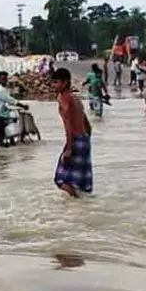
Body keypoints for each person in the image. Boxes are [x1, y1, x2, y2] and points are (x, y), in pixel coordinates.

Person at [52, 68, 93, 197]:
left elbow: (68, 124)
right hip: (84, 141)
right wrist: (84, 140)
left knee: (61, 179)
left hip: (75, 140)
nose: (54, 85)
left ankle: (76, 203)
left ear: (65, 82)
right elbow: (87, 125)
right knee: (80, 183)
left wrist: (69, 147)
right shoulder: (76, 99)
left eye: (56, 82)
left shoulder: (63, 98)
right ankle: (79, 208)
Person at [0, 71, 28, 147]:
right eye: (3, 79)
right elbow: (10, 100)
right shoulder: (0, 90)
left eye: (5, 79)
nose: (5, 81)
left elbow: (6, 102)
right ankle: (0, 140)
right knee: (9, 120)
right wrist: (22, 105)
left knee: (10, 117)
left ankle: (9, 139)